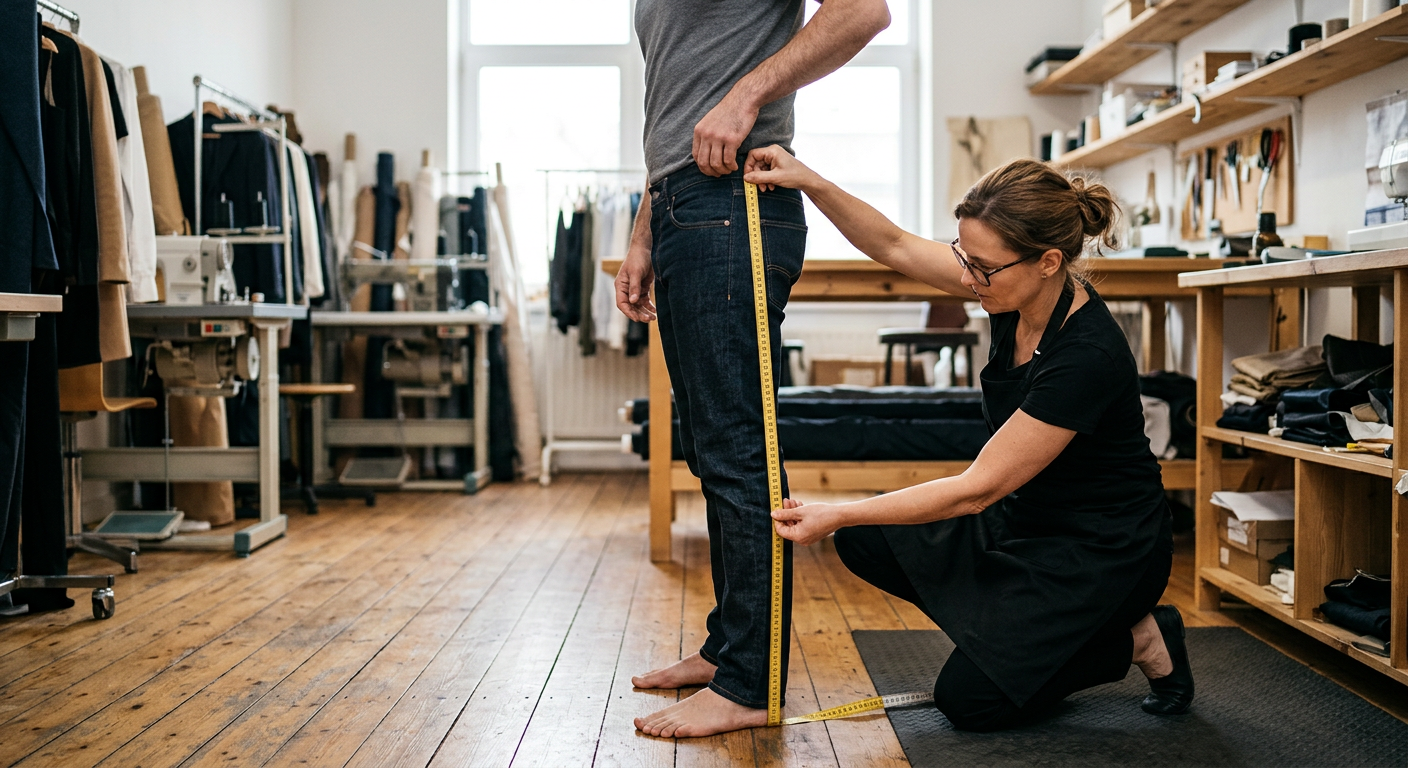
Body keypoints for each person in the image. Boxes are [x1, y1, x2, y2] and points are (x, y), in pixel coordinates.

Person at [744, 147, 1195, 732]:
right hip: (1025, 524)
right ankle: (1017, 638)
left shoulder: (1086, 354)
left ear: (1048, 262)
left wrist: (837, 510)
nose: (966, 276)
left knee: (969, 702)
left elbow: (975, 490)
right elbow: (895, 245)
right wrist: (808, 180)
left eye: (981, 266)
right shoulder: (1009, 289)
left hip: (1101, 553)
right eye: (964, 255)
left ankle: (1140, 638)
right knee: (866, 540)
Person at [615, 0, 892, 739]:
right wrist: (643, 230)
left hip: (734, 202)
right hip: (681, 202)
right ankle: (728, 649)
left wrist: (745, 95)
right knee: (710, 450)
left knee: (738, 450)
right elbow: (675, 112)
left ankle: (749, 683)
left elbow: (864, 11)